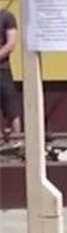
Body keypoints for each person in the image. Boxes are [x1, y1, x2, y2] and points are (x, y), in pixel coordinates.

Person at [0, 9, 21, 138]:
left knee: (11, 107)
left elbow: (11, 44)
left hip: (2, 69)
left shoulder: (7, 17)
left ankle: (17, 139)